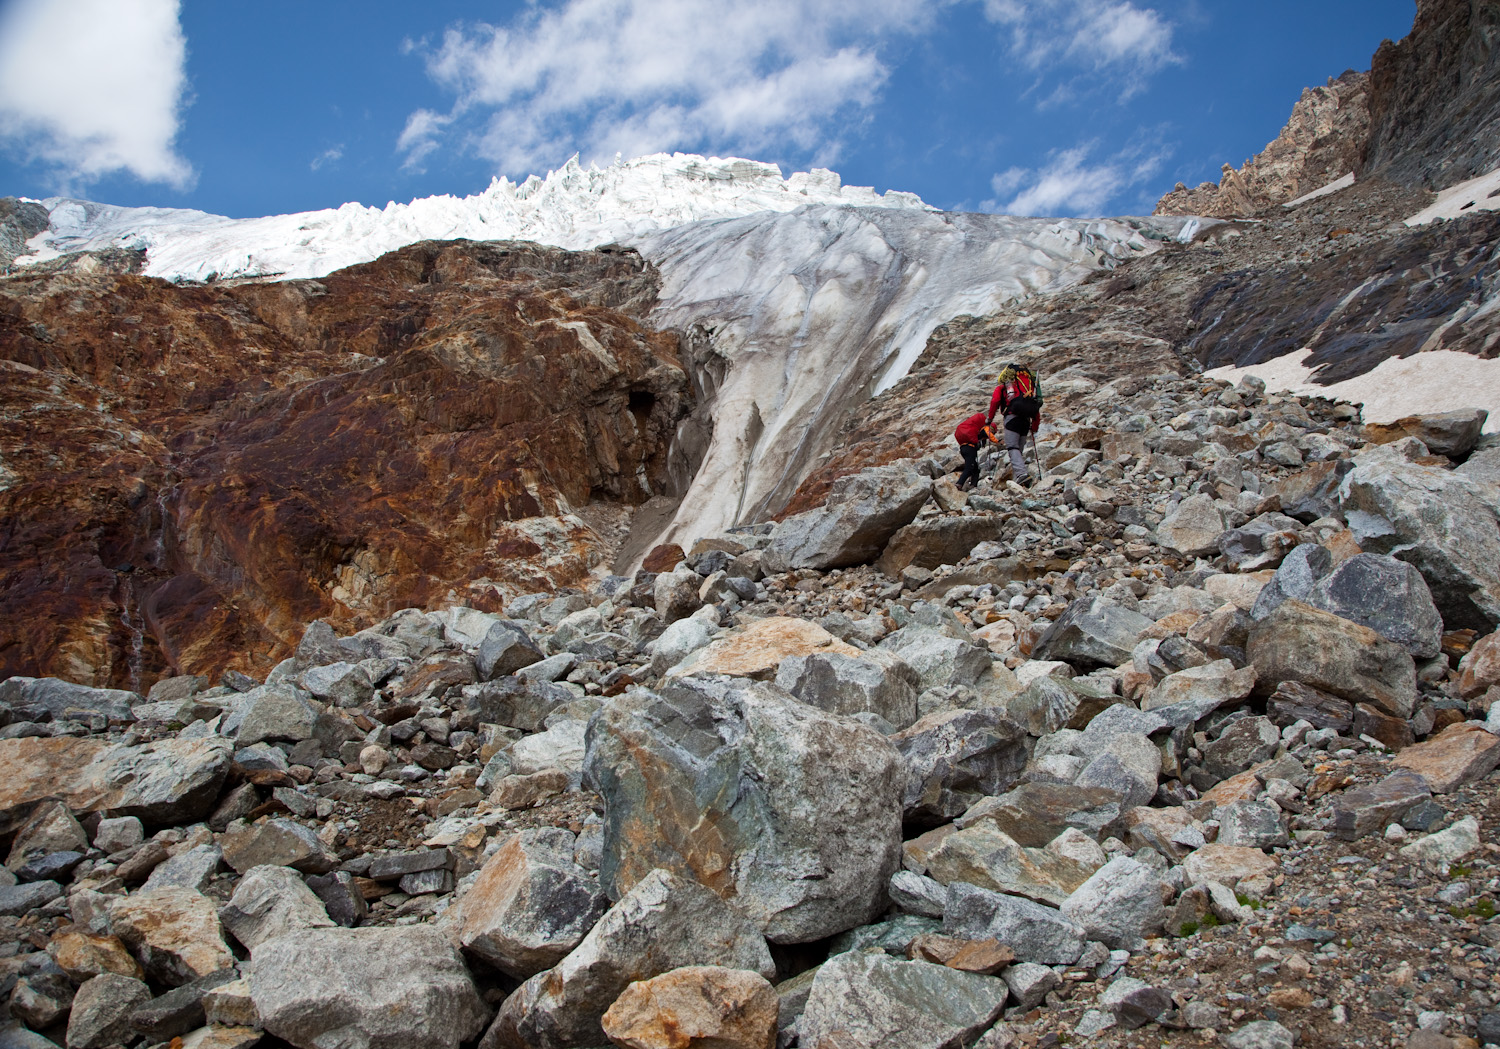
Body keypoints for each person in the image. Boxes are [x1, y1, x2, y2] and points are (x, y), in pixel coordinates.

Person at [986, 364, 1042, 486]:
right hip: (1026, 421)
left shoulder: (1004, 387)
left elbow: (995, 401)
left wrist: (989, 419)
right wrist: (1035, 427)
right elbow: (1035, 407)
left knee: (1012, 447)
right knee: (1019, 449)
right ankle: (1021, 478)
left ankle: (1022, 474)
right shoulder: (1029, 387)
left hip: (1012, 418)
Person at [953, 410, 995, 490]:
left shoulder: (975, 429)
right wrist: (998, 441)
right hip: (970, 448)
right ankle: (959, 483)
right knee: (969, 468)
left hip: (963, 448)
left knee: (975, 468)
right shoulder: (984, 429)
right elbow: (987, 434)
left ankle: (973, 486)